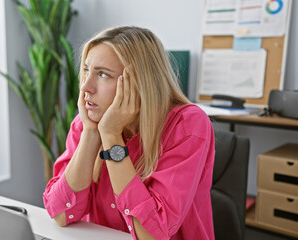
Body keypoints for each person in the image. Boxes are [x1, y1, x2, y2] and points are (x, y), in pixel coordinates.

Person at [43, 26, 215, 240]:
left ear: (138, 83)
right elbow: (61, 214)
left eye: (102, 74)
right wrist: (90, 133)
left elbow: (151, 234)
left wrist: (112, 135)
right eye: (87, 71)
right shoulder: (88, 122)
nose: (86, 87)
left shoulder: (187, 125)